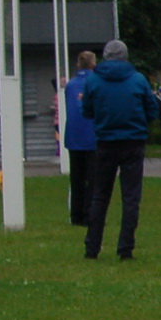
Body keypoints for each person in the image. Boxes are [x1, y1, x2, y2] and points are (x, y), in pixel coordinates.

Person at [81, 40, 160, 260]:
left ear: (105, 56)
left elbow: (86, 110)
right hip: (133, 143)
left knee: (100, 196)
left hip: (105, 142)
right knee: (131, 197)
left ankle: (92, 247)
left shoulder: (94, 80)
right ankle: (125, 248)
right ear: (125, 56)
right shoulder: (137, 80)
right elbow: (152, 110)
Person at [63, 50, 98, 225]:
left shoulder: (70, 85)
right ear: (93, 64)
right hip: (92, 137)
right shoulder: (96, 83)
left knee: (76, 179)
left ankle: (75, 215)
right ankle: (89, 214)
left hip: (73, 137)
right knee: (92, 180)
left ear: (78, 64)